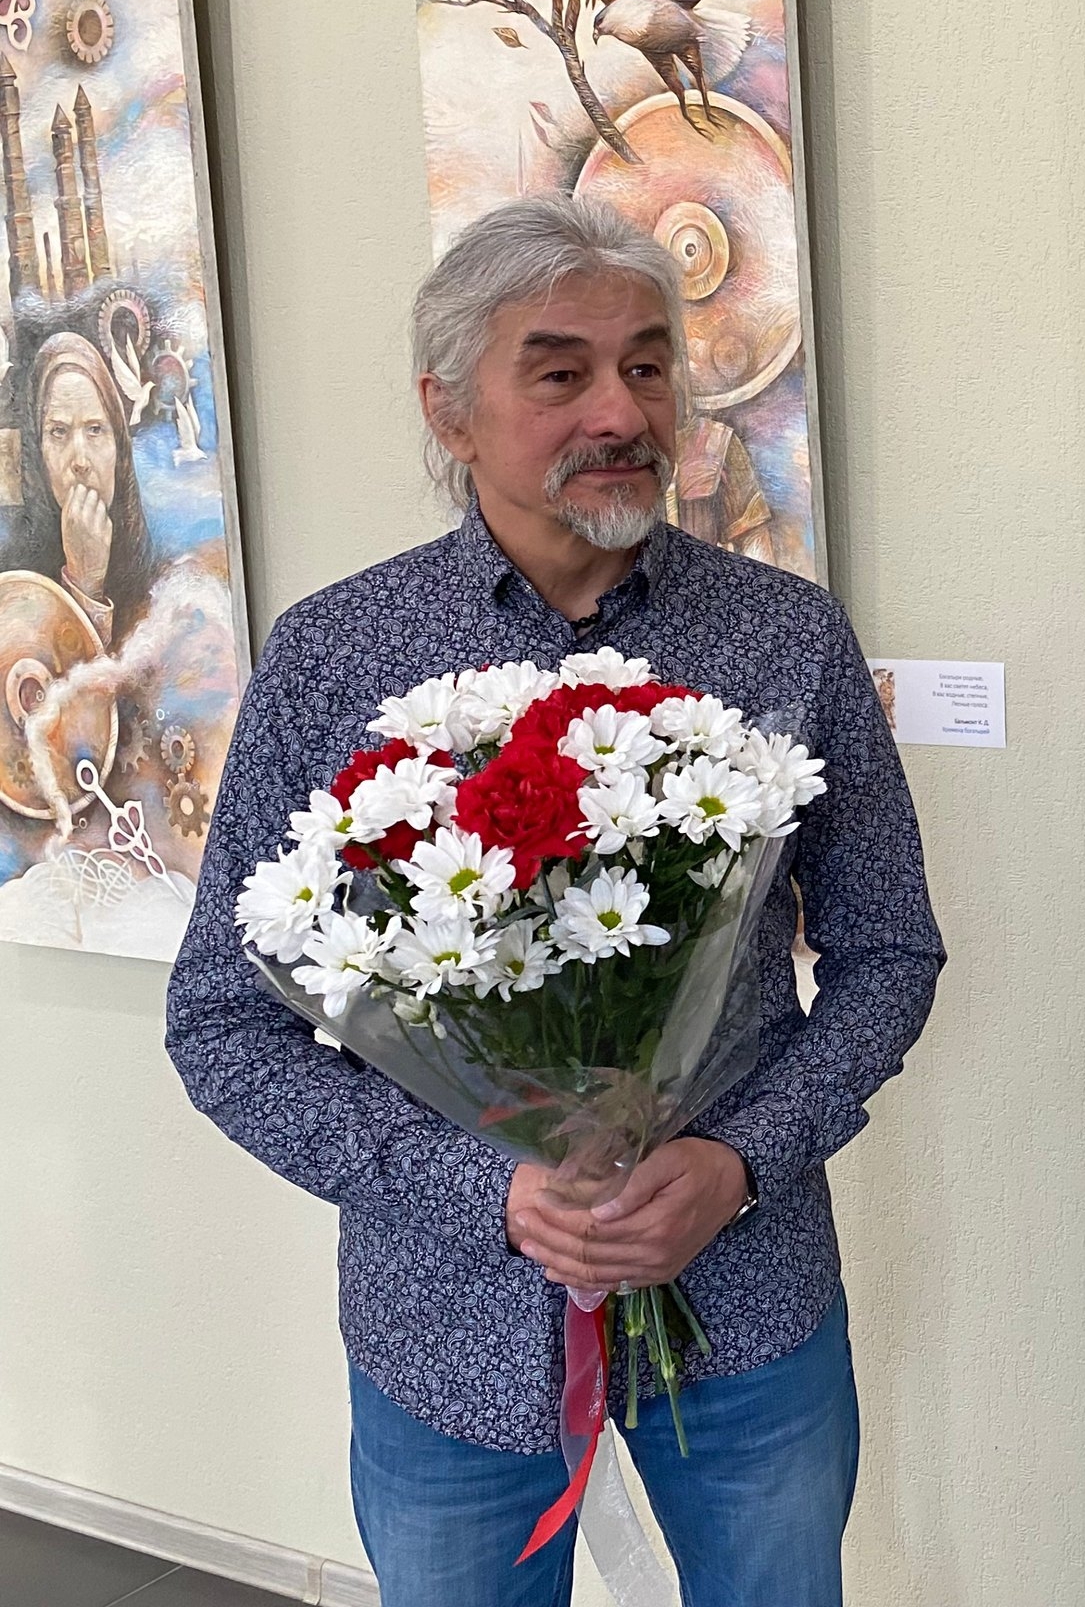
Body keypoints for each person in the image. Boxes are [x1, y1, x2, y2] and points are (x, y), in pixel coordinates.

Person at [164, 196, 944, 1607]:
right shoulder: (338, 656)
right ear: (448, 411)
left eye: (647, 366)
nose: (621, 411)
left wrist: (738, 1162)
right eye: (561, 372)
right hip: (444, 1327)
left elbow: (888, 951)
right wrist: (492, 1194)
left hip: (745, 1299)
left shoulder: (783, 638)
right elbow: (226, 1023)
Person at [6, 330, 154, 644]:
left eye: (95, 429)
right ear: (37, 450)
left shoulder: (155, 570)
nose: (80, 461)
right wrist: (84, 584)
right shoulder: (10, 575)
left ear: (119, 447)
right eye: (58, 432)